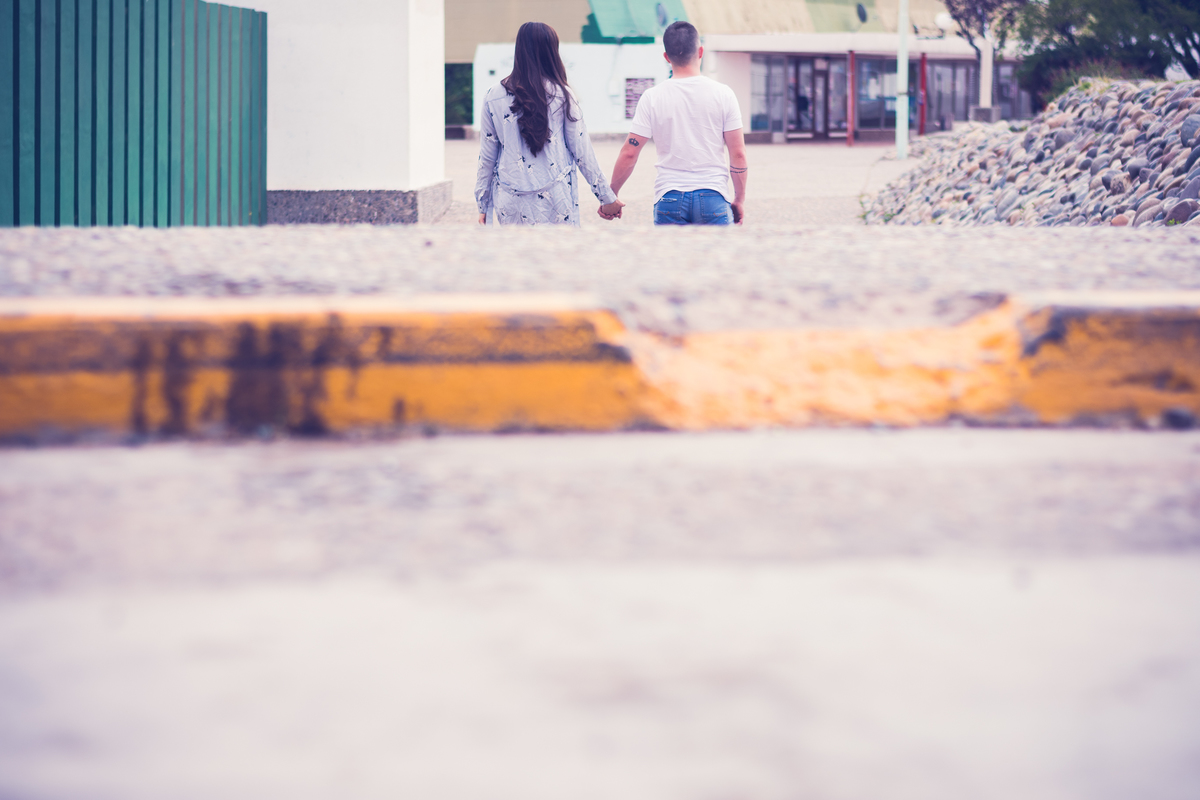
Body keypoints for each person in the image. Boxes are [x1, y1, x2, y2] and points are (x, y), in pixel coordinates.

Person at [475, 22, 625, 226]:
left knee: (516, 248)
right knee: (557, 247)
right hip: (556, 200)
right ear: (552, 51)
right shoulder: (562, 95)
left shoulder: (493, 95)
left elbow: (487, 157)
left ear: (519, 50)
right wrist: (607, 199)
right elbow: (582, 153)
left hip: (510, 201)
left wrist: (483, 205)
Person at [606, 21, 748, 225]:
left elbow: (630, 152)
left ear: (666, 57)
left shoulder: (652, 97)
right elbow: (738, 154)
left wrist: (610, 197)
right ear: (700, 52)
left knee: (671, 248)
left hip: (669, 197)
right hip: (713, 196)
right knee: (715, 248)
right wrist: (739, 199)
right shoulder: (724, 94)